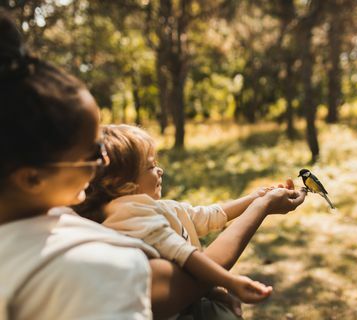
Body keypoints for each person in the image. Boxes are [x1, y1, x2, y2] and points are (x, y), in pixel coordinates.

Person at [0, 10, 306, 320]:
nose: (103, 161)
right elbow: (179, 284)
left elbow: (203, 225)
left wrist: (212, 284)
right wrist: (260, 208)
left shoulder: (44, 223)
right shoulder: (82, 269)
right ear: (31, 178)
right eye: (92, 152)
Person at [74, 124, 301, 318]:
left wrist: (256, 198)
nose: (160, 170)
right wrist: (230, 282)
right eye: (151, 166)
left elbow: (210, 215)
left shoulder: (157, 207)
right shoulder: (128, 212)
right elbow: (183, 254)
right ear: (124, 183)